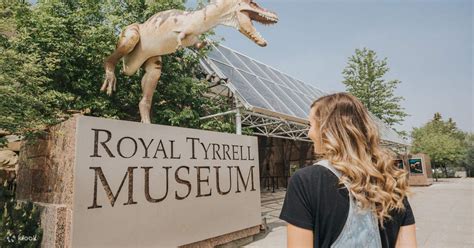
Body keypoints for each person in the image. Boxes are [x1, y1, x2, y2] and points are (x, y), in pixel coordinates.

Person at [279, 93, 417, 248]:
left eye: (310, 125)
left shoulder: (305, 181)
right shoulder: (391, 180)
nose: (309, 133)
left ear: (328, 130)